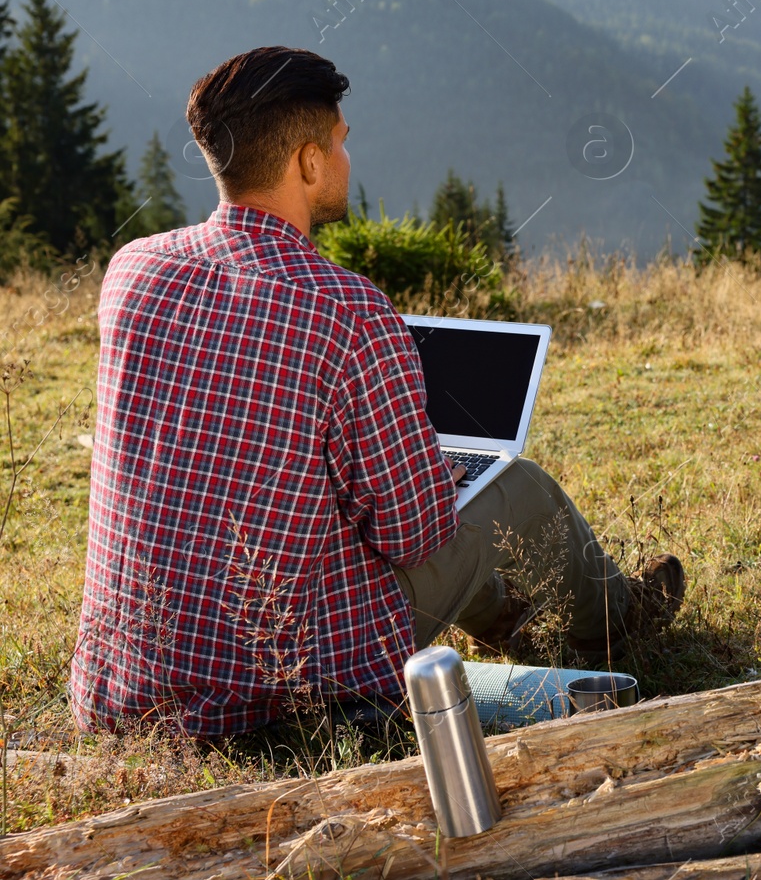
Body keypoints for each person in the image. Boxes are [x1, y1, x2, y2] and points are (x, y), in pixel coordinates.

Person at [68, 47, 683, 737]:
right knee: (514, 488)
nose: (345, 160)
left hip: (122, 688)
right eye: (339, 143)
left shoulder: (132, 272)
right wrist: (425, 464)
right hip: (285, 688)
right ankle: (622, 621)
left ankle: (521, 623)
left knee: (384, 500)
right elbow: (413, 531)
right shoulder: (347, 310)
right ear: (306, 162)